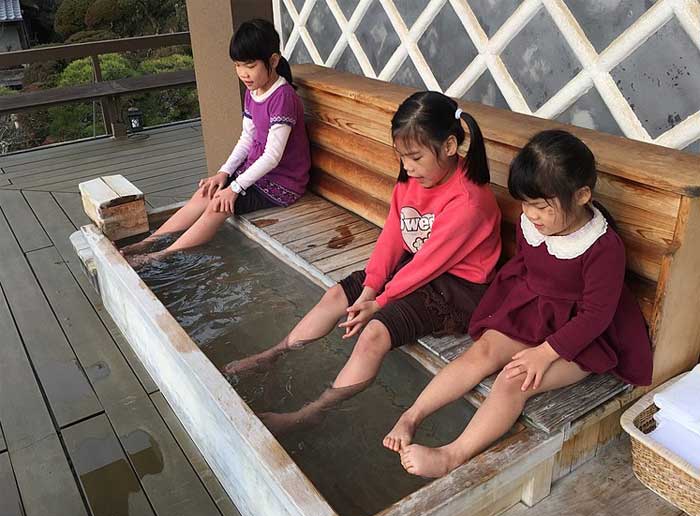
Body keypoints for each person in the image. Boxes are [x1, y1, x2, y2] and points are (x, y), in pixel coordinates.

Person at [224, 91, 502, 434]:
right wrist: (370, 287)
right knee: (336, 296)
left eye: (414, 157)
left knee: (374, 333)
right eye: (402, 157)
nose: (407, 167)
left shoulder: (469, 201)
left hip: (459, 289)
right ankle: (275, 353)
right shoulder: (414, 180)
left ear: (448, 146)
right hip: (420, 268)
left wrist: (380, 303)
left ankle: (312, 412)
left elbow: (429, 263)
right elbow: (393, 237)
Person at [385, 129, 653, 478]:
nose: (532, 215)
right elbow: (528, 269)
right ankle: (412, 416)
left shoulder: (603, 247)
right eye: (526, 204)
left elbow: (596, 316)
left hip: (582, 337)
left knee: (513, 380)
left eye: (541, 206)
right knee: (480, 353)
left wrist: (545, 352)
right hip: (536, 312)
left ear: (582, 195)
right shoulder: (533, 223)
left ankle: (452, 455)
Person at [122, 19, 310, 262]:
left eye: (250, 66)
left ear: (273, 61)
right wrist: (223, 173)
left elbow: (273, 156)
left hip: (282, 183)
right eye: (238, 66)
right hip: (256, 174)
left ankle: (160, 256)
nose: (243, 73)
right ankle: (147, 243)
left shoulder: (282, 97)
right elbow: (247, 139)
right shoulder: (254, 92)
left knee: (218, 205)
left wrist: (234, 188)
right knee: (205, 193)